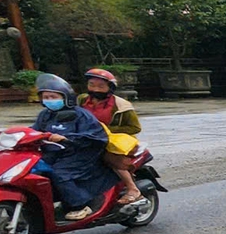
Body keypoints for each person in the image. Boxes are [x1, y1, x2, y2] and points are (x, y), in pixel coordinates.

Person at [29, 74, 114, 221]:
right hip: (55, 153)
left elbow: (95, 137)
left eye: (53, 97)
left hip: (80, 153)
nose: (50, 100)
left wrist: (67, 139)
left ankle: (81, 204)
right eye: (46, 97)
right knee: (34, 170)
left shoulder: (80, 115)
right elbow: (33, 131)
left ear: (66, 97)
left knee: (60, 173)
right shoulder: (45, 115)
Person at [77, 68, 143, 205]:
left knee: (108, 158)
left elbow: (135, 127)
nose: (95, 89)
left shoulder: (121, 105)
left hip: (112, 142)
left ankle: (132, 188)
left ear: (110, 88)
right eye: (92, 85)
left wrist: (105, 129)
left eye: (101, 86)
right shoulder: (81, 100)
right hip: (85, 139)